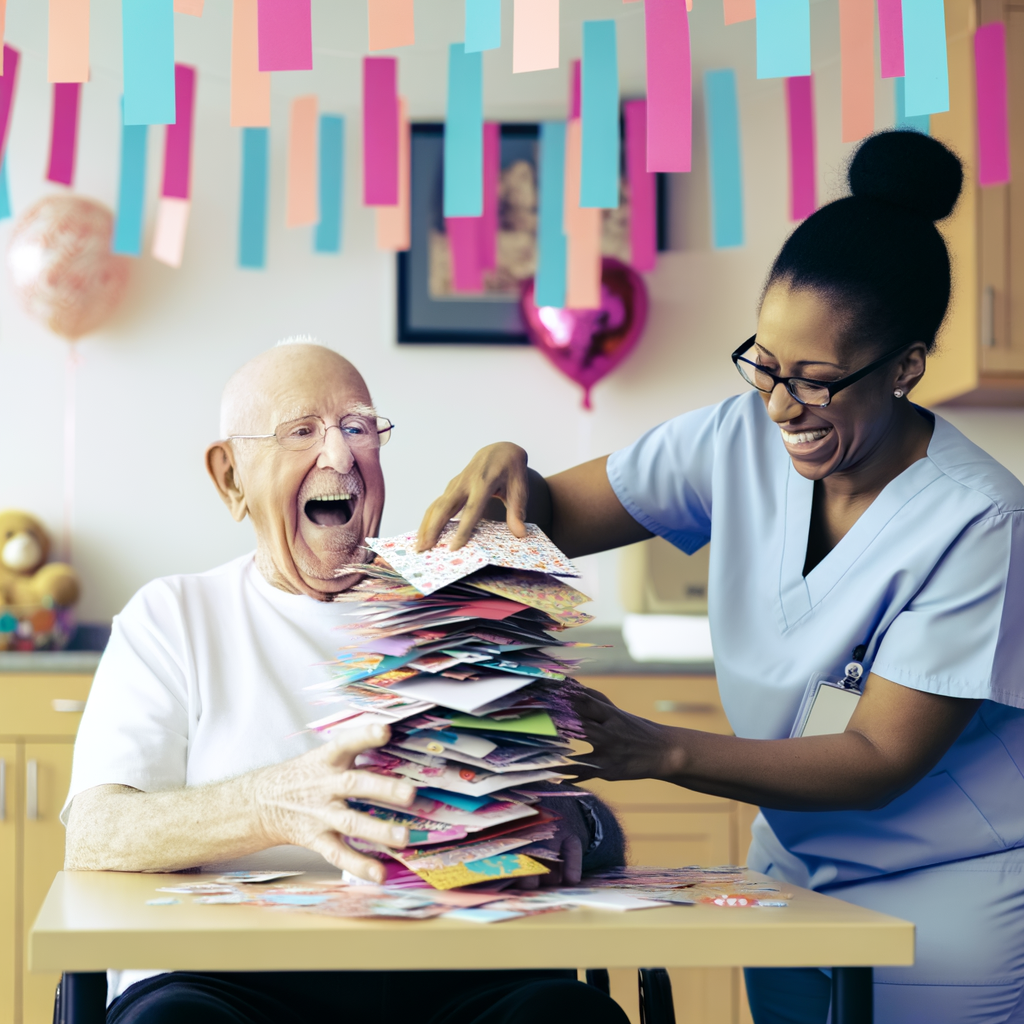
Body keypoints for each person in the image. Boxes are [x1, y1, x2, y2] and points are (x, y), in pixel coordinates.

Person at [417, 130, 1024, 1024]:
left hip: (940, 892)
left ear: (903, 369)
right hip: (786, 872)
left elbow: (879, 757)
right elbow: (552, 514)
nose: (780, 406)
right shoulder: (735, 438)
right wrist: (513, 465)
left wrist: (658, 749)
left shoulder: (982, 520)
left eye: (816, 381)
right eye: (766, 366)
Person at [62, 340, 626, 1024]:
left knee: (565, 1016)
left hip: (456, 972)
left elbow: (588, 823)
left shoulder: (465, 600)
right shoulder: (174, 614)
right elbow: (96, 834)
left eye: (358, 428)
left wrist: (574, 822)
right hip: (229, 978)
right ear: (231, 478)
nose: (340, 456)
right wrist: (274, 804)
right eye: (301, 431)